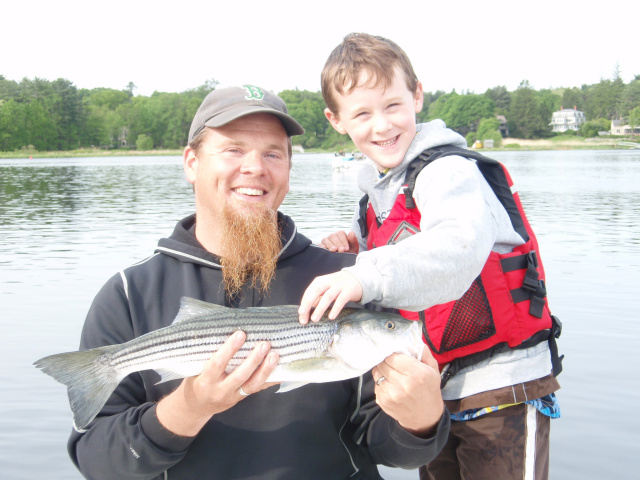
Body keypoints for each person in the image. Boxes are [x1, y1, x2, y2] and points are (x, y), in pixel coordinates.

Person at [67, 84, 449, 480]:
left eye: (272, 154)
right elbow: (100, 462)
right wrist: (191, 405)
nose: (255, 168)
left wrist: (421, 420)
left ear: (287, 168)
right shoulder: (128, 294)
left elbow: (389, 448)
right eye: (233, 149)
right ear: (191, 163)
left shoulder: (350, 279)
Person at [298, 33, 563, 480]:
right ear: (336, 120)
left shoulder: (447, 171)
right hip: (434, 389)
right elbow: (402, 260)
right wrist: (355, 247)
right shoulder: (376, 196)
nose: (381, 125)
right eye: (362, 113)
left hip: (504, 386)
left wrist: (364, 274)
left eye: (393, 106)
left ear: (417, 95)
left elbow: (455, 250)